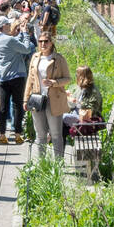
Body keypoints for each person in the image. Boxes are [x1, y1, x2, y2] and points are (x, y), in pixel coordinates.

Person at [24, 32, 71, 160]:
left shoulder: (59, 59)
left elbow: (67, 79)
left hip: (53, 100)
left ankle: (58, 164)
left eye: (46, 41)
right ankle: (42, 163)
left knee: (56, 134)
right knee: (40, 134)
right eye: (40, 41)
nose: (43, 44)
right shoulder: (35, 57)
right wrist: (25, 99)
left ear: (51, 43)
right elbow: (30, 79)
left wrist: (54, 83)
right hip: (37, 99)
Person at [0, 14, 36, 145]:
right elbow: (26, 48)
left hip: (3, 76)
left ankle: (2, 135)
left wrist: (21, 34)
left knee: (3, 106)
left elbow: (13, 41)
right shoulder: (9, 40)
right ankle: (17, 135)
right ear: (5, 26)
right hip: (17, 75)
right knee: (18, 105)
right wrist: (26, 34)